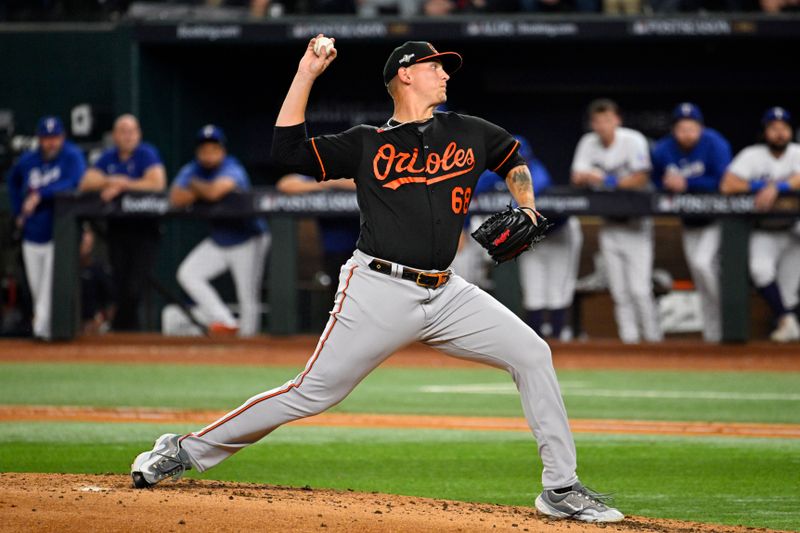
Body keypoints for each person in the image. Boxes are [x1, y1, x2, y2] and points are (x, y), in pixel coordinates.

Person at [131, 38, 623, 524]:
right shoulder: (366, 143)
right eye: (436, 67)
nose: (446, 74)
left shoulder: (467, 130)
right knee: (312, 392)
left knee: (533, 353)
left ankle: (560, 487)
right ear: (405, 74)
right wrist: (306, 73)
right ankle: (184, 449)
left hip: (447, 291)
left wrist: (528, 204)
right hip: (378, 289)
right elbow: (287, 152)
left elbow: (511, 156)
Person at [571, 99, 661, 344]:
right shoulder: (588, 142)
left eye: (608, 120)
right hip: (609, 224)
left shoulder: (632, 140)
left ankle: (654, 341)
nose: (603, 125)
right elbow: (577, 176)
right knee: (620, 291)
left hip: (637, 224)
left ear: (617, 120)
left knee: (640, 290)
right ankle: (629, 342)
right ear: (592, 124)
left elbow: (641, 178)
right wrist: (595, 178)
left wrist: (605, 181)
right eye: (598, 121)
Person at [170, 125, 270, 337]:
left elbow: (215, 192)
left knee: (247, 295)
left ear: (222, 150)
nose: (208, 154)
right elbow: (176, 198)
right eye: (204, 149)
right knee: (188, 274)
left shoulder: (233, 167)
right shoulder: (193, 168)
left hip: (248, 238)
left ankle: (249, 345)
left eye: (213, 149)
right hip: (220, 239)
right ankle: (225, 321)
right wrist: (202, 190)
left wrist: (195, 188)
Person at [651, 103, 732, 343]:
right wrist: (665, 184)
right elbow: (655, 180)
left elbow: (724, 181)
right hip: (689, 222)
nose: (687, 133)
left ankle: (727, 320)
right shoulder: (664, 149)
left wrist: (688, 184)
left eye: (692, 128)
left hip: (717, 220)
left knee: (703, 264)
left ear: (700, 127)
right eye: (682, 128)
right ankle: (712, 335)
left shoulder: (715, 143)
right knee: (699, 275)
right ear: (674, 129)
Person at [79, 114, 167, 331]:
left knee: (135, 287)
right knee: (120, 285)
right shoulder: (108, 157)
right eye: (123, 131)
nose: (128, 136)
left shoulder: (146, 153)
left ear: (139, 134)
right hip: (118, 230)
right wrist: (112, 180)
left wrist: (124, 185)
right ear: (115, 135)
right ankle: (126, 337)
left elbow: (157, 183)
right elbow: (86, 182)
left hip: (145, 228)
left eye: (132, 131)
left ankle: (120, 331)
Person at [720, 107, 800, 342]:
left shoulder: (797, 152)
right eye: (773, 128)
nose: (779, 133)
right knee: (760, 270)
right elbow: (727, 185)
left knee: (788, 289)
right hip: (765, 229)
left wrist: (778, 187)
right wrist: (757, 187)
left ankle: (787, 325)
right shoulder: (752, 155)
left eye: (783, 128)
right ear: (765, 132)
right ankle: (788, 321)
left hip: (794, 230)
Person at [6, 116, 85, 340]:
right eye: (47, 138)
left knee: (50, 287)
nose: (51, 143)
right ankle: (43, 329)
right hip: (32, 232)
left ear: (63, 137)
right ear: (39, 139)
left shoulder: (71, 156)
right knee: (37, 287)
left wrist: (41, 194)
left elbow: (75, 181)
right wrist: (17, 211)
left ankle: (43, 330)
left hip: (60, 233)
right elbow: (12, 182)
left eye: (55, 137)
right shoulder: (28, 160)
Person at [275, 173, 359, 290]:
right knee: (337, 293)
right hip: (332, 251)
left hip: (363, 250)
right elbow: (285, 184)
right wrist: (324, 184)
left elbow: (372, 183)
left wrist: (332, 182)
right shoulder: (324, 173)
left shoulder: (353, 168)